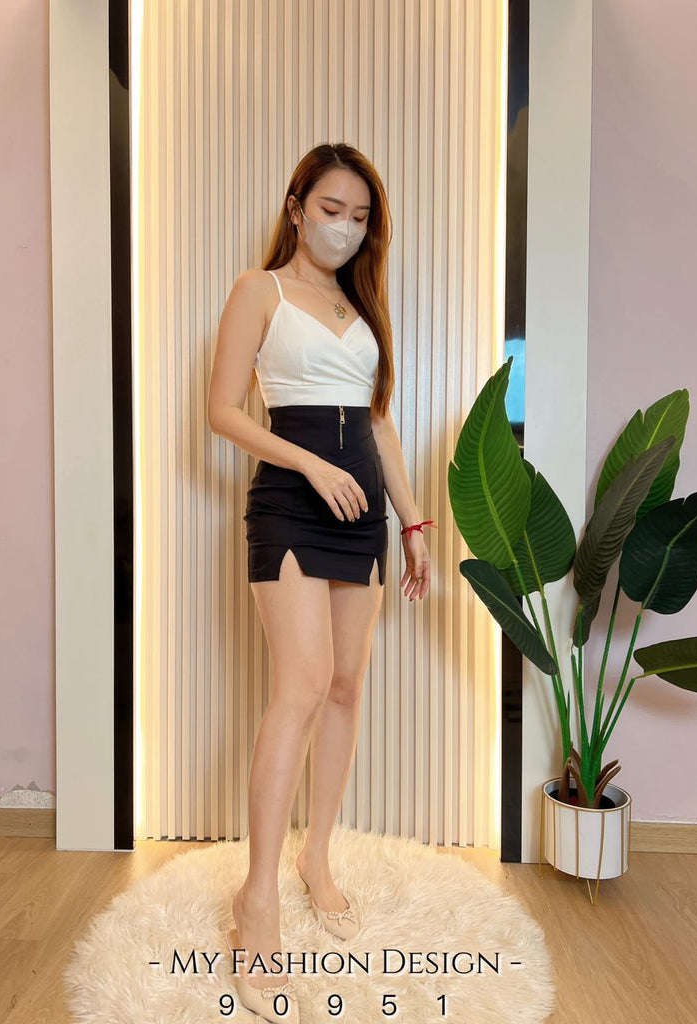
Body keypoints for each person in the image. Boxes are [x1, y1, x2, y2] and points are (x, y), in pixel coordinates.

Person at [207, 142, 435, 1023]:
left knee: (345, 687)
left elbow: (379, 425)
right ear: (297, 207)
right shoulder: (259, 290)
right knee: (299, 688)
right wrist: (307, 463)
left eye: (361, 216)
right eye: (332, 209)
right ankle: (257, 899)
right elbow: (222, 411)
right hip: (292, 507)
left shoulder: (360, 306)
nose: (345, 227)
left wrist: (412, 524)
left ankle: (317, 857)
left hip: (363, 511)